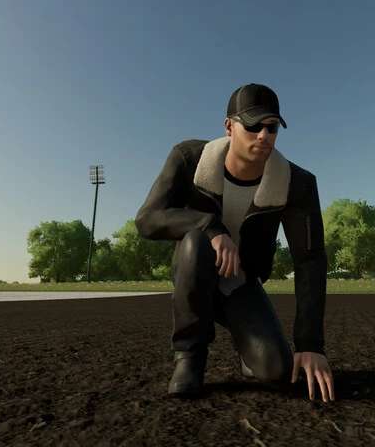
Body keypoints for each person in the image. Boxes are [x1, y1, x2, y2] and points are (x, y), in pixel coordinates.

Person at [135, 83, 335, 402]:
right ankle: (190, 356)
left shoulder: (297, 183)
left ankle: (246, 344)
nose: (263, 135)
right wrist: (210, 227)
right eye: (253, 126)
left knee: (276, 370)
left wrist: (310, 344)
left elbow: (309, 260)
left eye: (271, 127)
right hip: (194, 270)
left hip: (240, 282)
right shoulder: (188, 158)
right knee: (196, 242)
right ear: (229, 126)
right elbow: (147, 220)